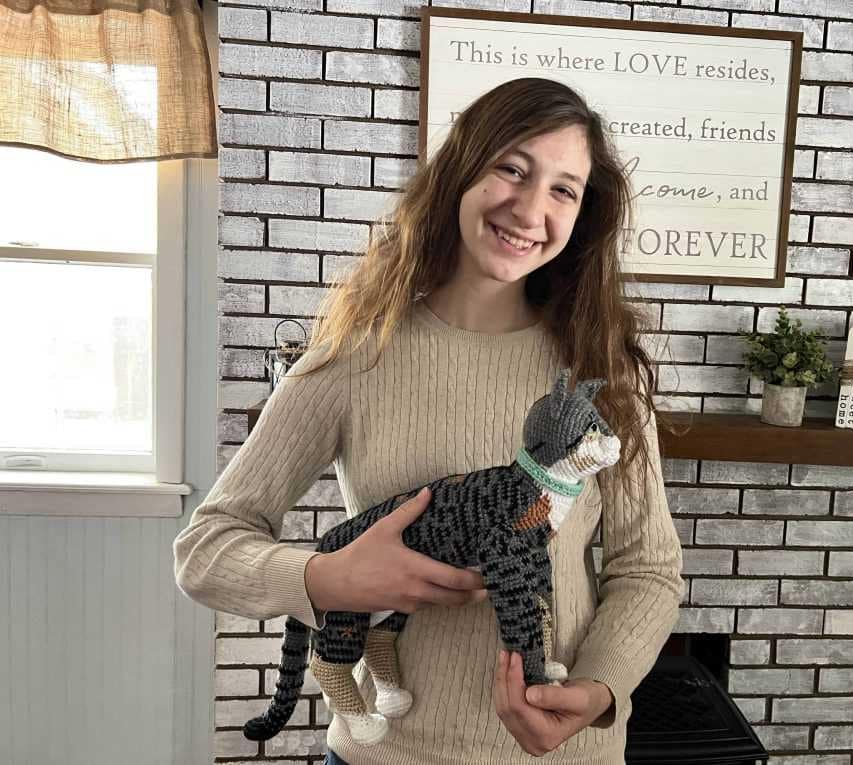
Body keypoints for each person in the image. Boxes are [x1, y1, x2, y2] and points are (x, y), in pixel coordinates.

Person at [173, 77, 684, 765]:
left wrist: (598, 688)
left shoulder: (603, 371)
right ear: (461, 172)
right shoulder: (353, 355)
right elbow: (205, 548)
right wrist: (327, 579)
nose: (531, 208)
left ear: (583, 213)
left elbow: (648, 567)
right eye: (512, 168)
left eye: (564, 188)